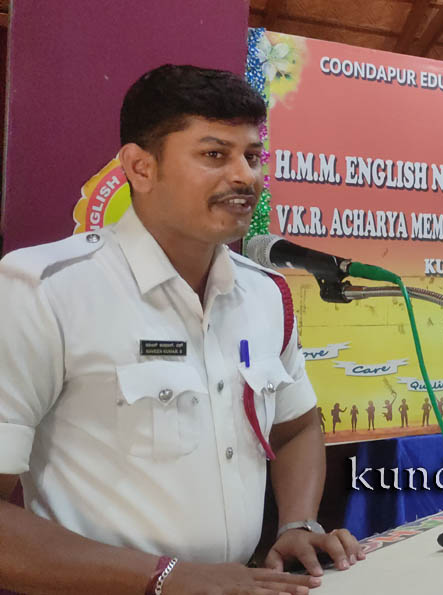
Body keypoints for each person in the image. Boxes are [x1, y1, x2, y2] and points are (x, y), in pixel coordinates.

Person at [0, 64, 364, 594]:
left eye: (252, 156)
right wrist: (167, 579)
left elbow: (297, 426)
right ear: (140, 167)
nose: (244, 177)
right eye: (214, 154)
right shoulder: (43, 290)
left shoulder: (265, 292)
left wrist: (298, 523)